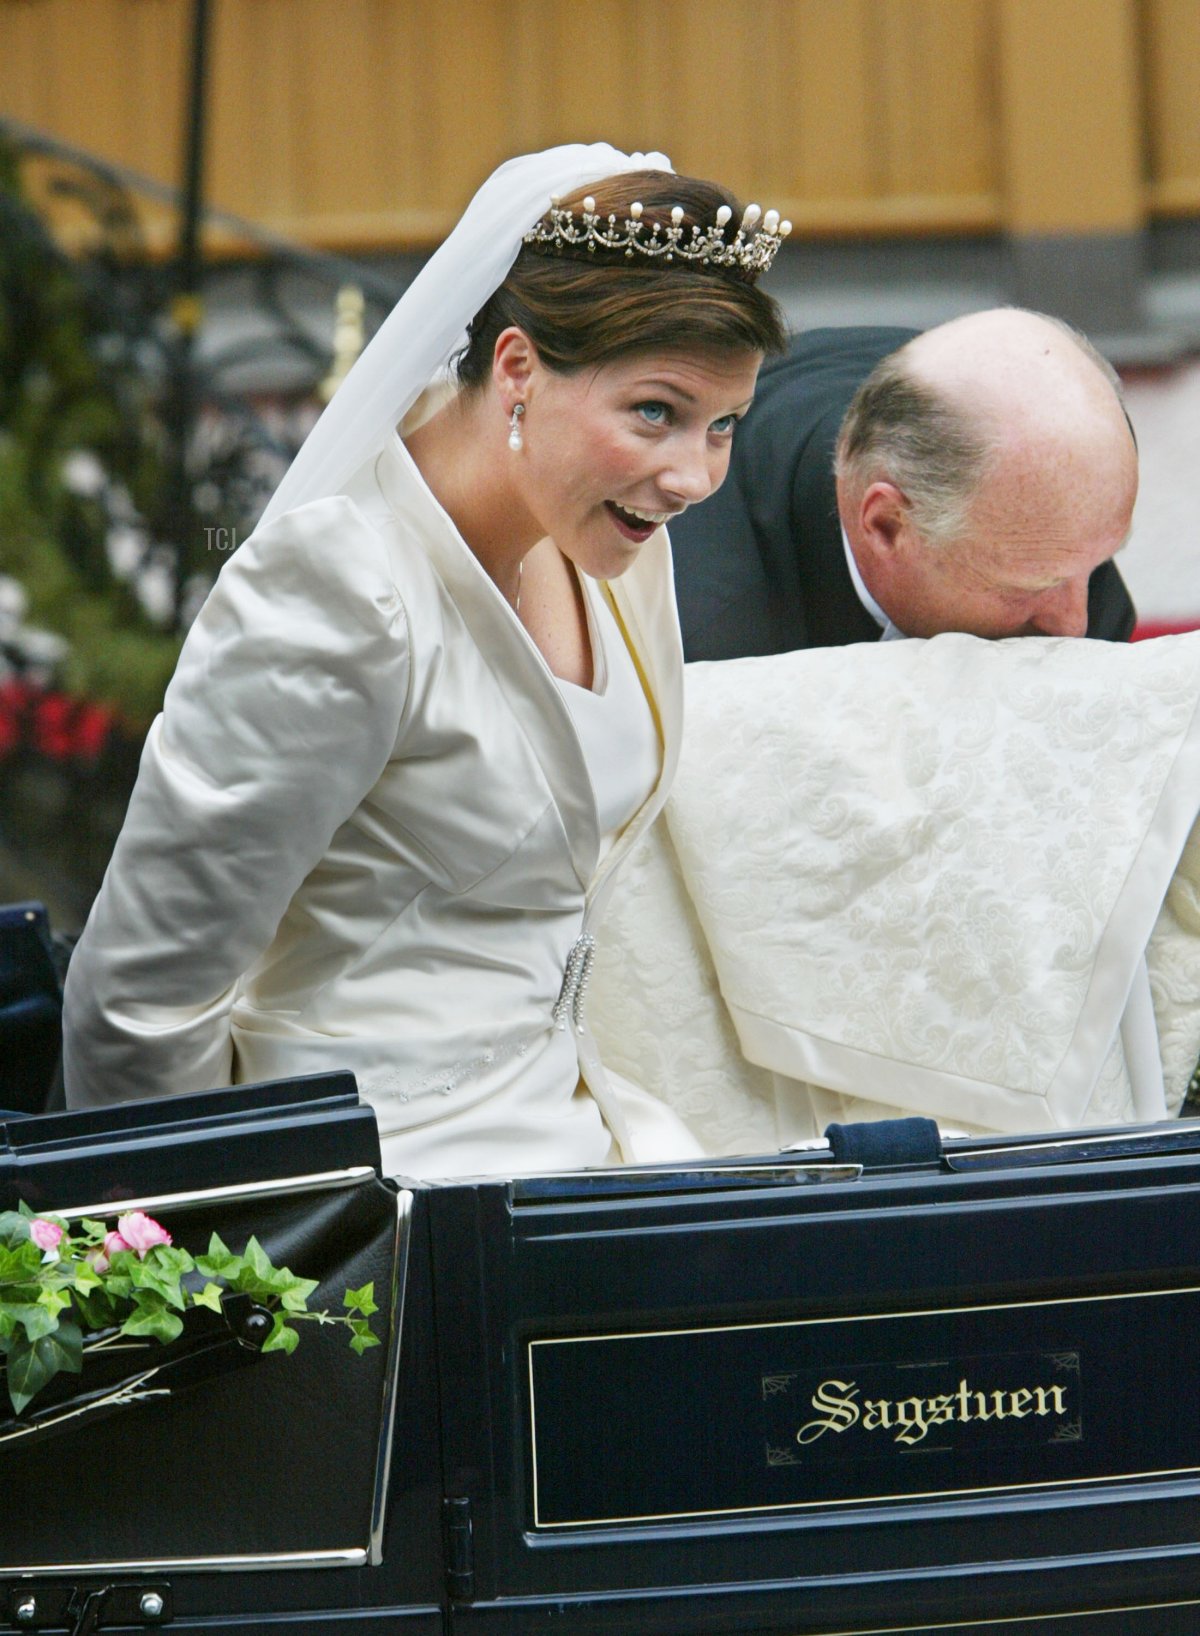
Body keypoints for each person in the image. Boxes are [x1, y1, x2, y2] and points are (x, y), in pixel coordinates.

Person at [62, 144, 788, 1179]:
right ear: (519, 367)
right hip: (377, 1201)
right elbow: (139, 1002)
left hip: (578, 1135)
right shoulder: (340, 593)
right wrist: (204, 1266)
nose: (694, 475)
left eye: (725, 427)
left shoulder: (614, 539)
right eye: (656, 412)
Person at [670, 311, 1138, 660]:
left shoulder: (1056, 549)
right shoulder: (708, 646)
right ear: (888, 525)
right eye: (1034, 584)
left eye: (1099, 562)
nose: (1075, 624)